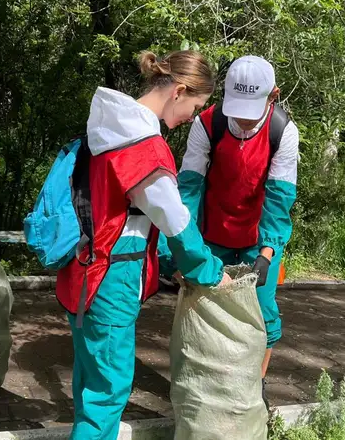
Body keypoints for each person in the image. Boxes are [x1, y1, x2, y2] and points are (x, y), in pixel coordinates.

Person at [56, 50, 229, 440]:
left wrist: (166, 262)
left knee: (91, 380)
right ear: (178, 91)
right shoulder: (141, 145)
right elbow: (174, 220)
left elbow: (133, 214)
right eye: (194, 106)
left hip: (84, 271)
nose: (191, 117)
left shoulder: (106, 130)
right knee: (108, 391)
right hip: (111, 278)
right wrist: (209, 270)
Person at [162, 55, 299, 408]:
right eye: (236, 107)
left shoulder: (282, 131)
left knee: (263, 310)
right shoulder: (208, 124)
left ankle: (255, 385)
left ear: (273, 96)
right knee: (204, 303)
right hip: (212, 231)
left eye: (251, 109)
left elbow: (279, 197)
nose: (241, 118)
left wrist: (268, 251)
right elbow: (189, 188)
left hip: (259, 236)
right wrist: (178, 248)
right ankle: (206, 379)